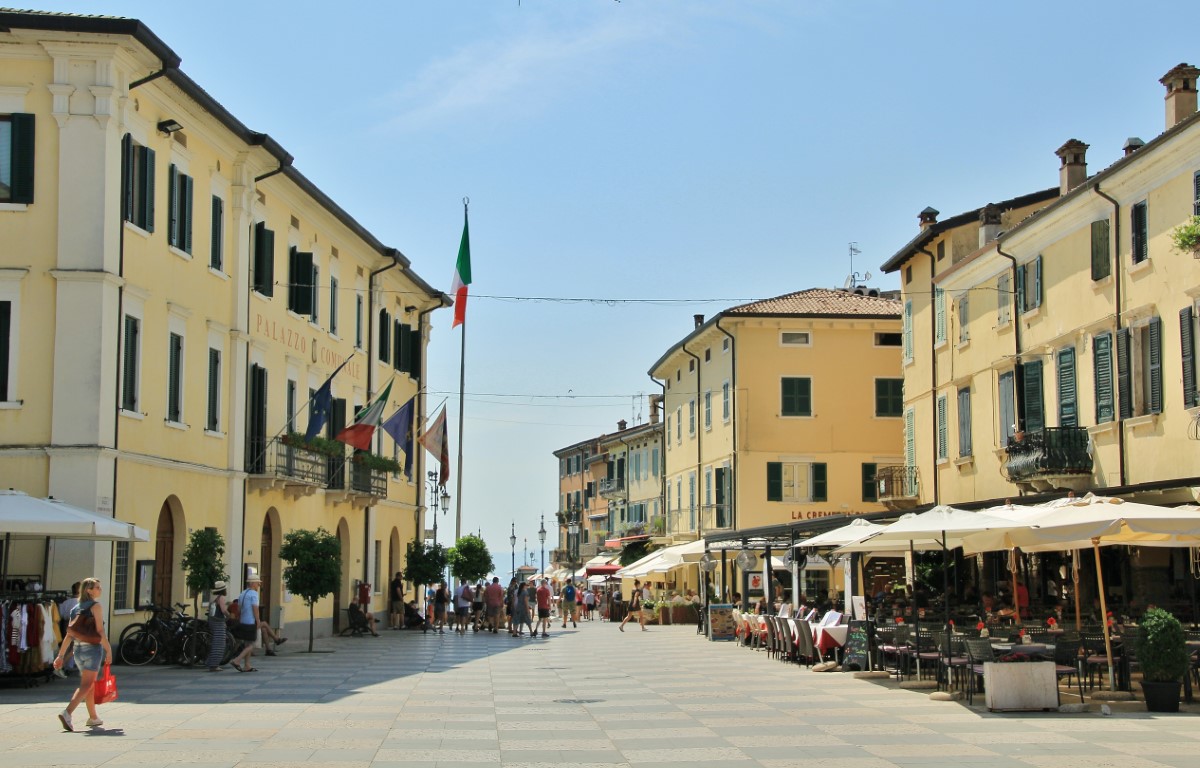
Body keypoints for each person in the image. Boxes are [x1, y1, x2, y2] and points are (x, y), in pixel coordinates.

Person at [52, 577, 112, 731]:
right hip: (92, 649)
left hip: (78, 650)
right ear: (88, 590)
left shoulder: (76, 608)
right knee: (86, 684)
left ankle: (93, 717)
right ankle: (67, 712)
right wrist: (108, 649)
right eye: (97, 587)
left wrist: (60, 655)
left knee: (89, 684)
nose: (100, 590)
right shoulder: (95, 606)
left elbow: (69, 634)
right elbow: (100, 630)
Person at [234, 574, 285, 665]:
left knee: (248, 643)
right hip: (250, 622)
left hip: (243, 621)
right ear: (253, 583)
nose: (259, 585)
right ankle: (237, 660)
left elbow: (238, 609)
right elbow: (255, 609)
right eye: (258, 583)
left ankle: (247, 665)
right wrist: (257, 620)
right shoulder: (254, 594)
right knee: (251, 645)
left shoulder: (242, 593)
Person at [206, 580, 229, 672]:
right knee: (219, 644)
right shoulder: (221, 598)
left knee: (215, 642)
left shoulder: (214, 598)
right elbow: (223, 610)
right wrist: (229, 615)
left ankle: (211, 663)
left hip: (212, 621)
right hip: (218, 622)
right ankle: (214, 665)